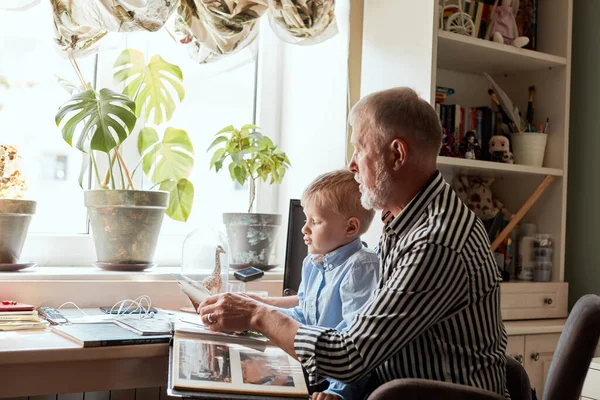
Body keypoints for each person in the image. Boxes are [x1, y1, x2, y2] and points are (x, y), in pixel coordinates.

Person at [198, 87, 509, 398]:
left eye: (360, 149)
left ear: (397, 155)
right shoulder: (405, 222)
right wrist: (257, 309)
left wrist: (257, 315)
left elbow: (349, 357)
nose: (352, 165)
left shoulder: (436, 242)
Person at [246, 169, 379, 400]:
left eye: (315, 221)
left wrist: (336, 393)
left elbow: (358, 343)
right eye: (306, 219)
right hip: (312, 370)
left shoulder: (361, 267)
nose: (304, 228)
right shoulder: (311, 263)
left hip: (340, 383)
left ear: (350, 228)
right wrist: (258, 318)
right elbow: (303, 315)